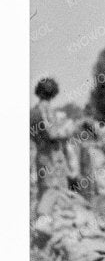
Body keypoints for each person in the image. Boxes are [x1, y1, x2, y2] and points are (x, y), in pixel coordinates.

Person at [31, 78, 73, 209]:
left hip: (41, 155)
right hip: (52, 157)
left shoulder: (33, 111)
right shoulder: (46, 109)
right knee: (55, 195)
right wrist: (68, 131)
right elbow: (52, 134)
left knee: (45, 192)